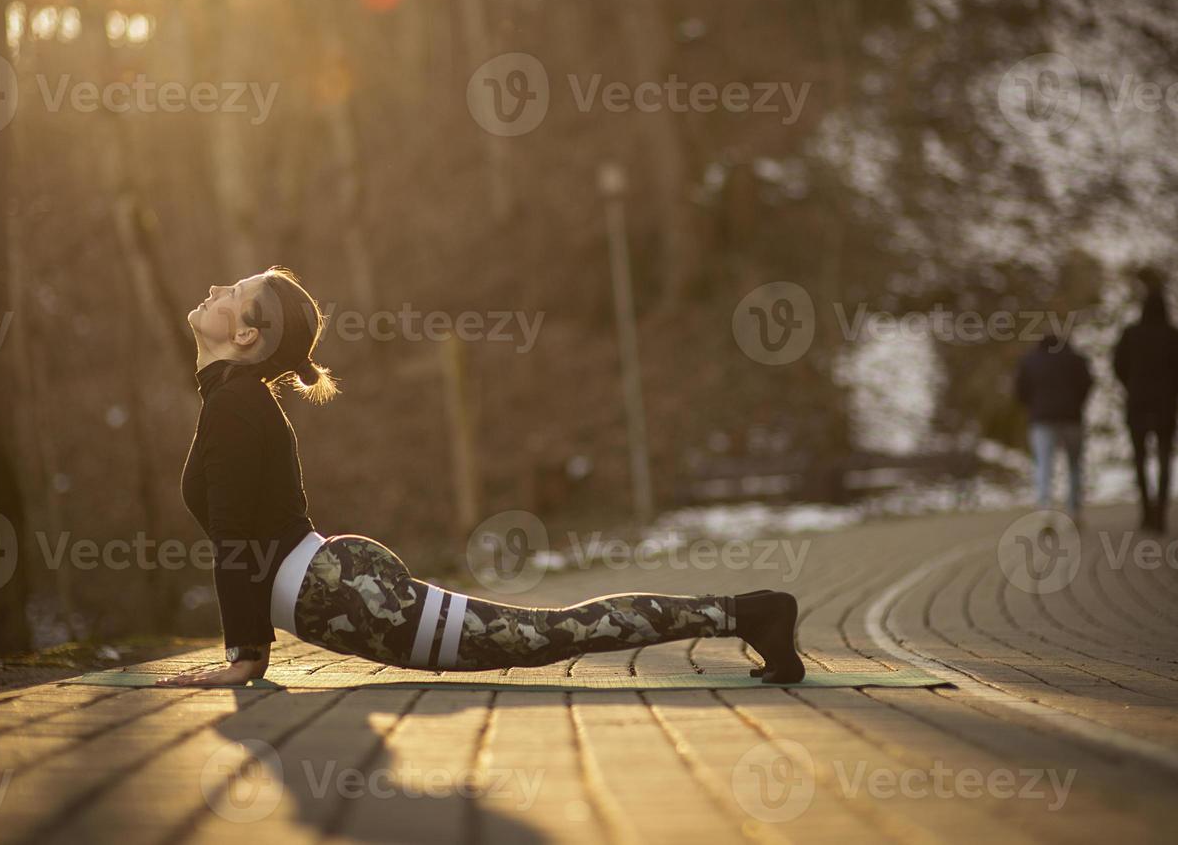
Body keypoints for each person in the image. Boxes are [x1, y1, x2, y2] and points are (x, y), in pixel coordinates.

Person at [158, 267, 804, 687]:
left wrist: (246, 656)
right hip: (330, 583)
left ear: (246, 336)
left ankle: (751, 614)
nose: (213, 288)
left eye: (232, 295)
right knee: (546, 634)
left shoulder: (237, 402)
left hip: (337, 594)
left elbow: (237, 538)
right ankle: (746, 615)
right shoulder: (233, 399)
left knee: (549, 635)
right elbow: (240, 535)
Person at [1113, 286, 1178, 531]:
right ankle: (1161, 514)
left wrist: (1131, 387)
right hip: (1166, 405)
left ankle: (1146, 512)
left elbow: (1117, 366)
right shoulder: (1175, 335)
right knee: (1164, 458)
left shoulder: (1130, 334)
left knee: (1140, 459)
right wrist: (1174, 392)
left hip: (1137, 404)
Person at [1015, 330, 1093, 522]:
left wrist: (1034, 407)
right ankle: (1074, 510)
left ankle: (1045, 509)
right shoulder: (1075, 359)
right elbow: (1087, 384)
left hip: (1041, 420)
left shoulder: (1030, 361)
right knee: (1074, 465)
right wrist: (1077, 404)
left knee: (1043, 465)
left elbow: (1020, 390)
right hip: (1072, 418)